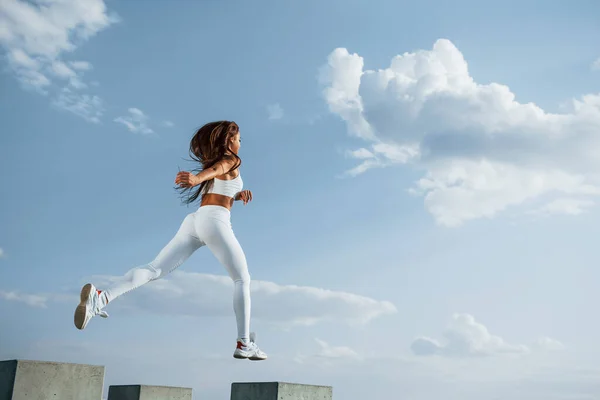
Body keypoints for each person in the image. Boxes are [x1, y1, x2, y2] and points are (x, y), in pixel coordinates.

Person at [73, 120, 267, 361]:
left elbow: (219, 185)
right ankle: (244, 343)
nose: (240, 143)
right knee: (242, 279)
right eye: (239, 139)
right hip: (215, 221)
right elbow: (216, 171)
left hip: (196, 221)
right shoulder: (231, 160)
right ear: (228, 142)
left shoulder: (219, 163)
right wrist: (197, 179)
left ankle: (100, 298)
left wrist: (237, 195)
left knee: (154, 269)